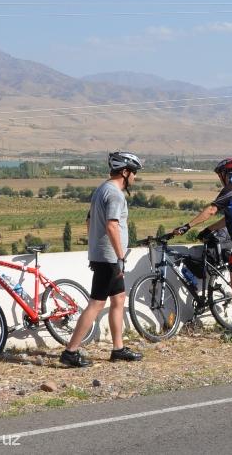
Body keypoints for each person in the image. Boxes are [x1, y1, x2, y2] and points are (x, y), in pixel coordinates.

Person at [60, 151, 144, 367]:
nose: (134, 177)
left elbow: (89, 221)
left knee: (118, 299)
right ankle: (71, 352)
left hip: (103, 256)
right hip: (110, 259)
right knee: (96, 304)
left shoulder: (102, 189)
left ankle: (118, 348)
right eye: (133, 173)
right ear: (125, 172)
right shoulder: (115, 194)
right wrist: (119, 257)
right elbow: (112, 225)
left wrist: (95, 248)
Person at [175, 157, 232, 336]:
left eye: (219, 175)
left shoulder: (230, 189)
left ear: (224, 174)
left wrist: (187, 226)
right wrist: (209, 229)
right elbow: (228, 218)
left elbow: (211, 210)